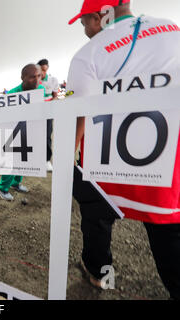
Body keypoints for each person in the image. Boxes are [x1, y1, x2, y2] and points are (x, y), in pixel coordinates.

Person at [67, 0, 180, 300]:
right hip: (168, 160)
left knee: (97, 219)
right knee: (168, 231)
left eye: (84, 22)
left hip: (106, 165)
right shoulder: (172, 30)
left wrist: (67, 156)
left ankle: (100, 274)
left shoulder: (87, 54)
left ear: (98, 17)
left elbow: (78, 115)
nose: (84, 30)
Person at [0, 64, 46, 201]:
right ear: (22, 78)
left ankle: (16, 183)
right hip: (13, 133)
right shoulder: (12, 94)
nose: (36, 80)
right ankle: (2, 188)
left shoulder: (41, 89)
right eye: (32, 77)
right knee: (12, 161)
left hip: (30, 131)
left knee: (25, 160)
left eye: (38, 76)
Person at [38, 59, 60, 172]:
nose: (43, 72)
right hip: (35, 112)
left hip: (47, 111)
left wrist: (51, 104)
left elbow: (55, 95)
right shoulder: (33, 80)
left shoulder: (53, 80)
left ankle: (46, 160)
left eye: (45, 69)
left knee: (47, 135)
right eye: (41, 69)